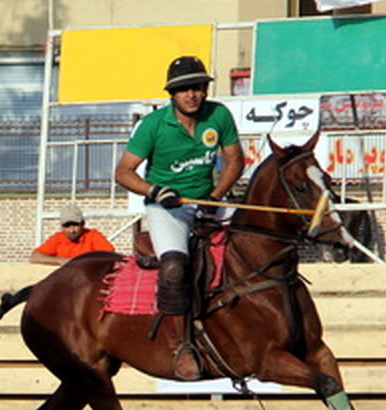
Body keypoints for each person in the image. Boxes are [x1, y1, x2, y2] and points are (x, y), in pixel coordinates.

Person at [113, 55, 243, 376]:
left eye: (198, 87)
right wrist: (155, 191)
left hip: (209, 201)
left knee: (257, 239)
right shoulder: (154, 125)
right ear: (172, 93)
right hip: (168, 208)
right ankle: (181, 345)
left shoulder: (219, 115)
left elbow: (235, 161)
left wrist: (216, 195)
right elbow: (123, 173)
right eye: (184, 89)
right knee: (173, 267)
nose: (192, 95)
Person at [30, 203, 114, 265]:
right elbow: (35, 257)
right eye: (67, 226)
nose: (71, 230)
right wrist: (61, 261)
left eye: (75, 225)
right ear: (62, 227)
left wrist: (81, 262)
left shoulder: (93, 236)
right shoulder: (57, 238)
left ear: (83, 224)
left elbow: (109, 255)